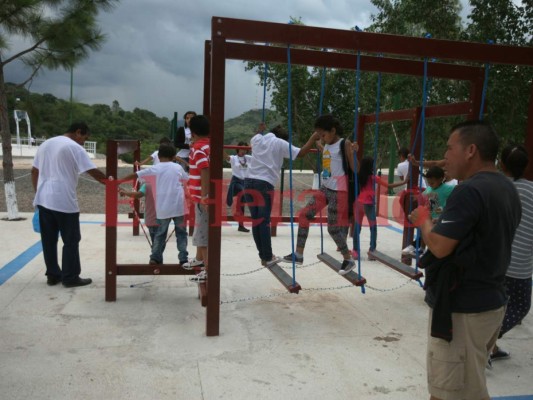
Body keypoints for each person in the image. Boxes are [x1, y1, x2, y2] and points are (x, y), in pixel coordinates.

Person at [409, 120, 521, 400]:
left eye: (449, 148)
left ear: (470, 150)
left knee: (452, 392)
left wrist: (423, 221)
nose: (445, 156)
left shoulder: (469, 191)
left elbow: (440, 247)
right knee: (461, 386)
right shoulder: (506, 188)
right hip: (489, 302)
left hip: (463, 310)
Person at [31, 122, 109, 287]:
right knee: (71, 239)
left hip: (44, 199)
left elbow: (34, 171)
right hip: (63, 200)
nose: (83, 142)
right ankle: (70, 277)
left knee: (49, 240)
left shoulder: (46, 144)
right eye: (84, 138)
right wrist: (113, 184)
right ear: (78, 132)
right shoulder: (74, 147)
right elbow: (93, 171)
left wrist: (38, 192)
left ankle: (52, 275)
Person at [281, 115, 356, 274]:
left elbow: (355, 169)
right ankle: (298, 254)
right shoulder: (327, 145)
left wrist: (354, 153)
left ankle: (348, 258)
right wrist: (318, 141)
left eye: (323, 134)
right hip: (325, 188)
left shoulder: (345, 143)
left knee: (333, 229)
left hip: (339, 191)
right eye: (320, 135)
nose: (322, 137)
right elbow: (328, 153)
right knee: (304, 215)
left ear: (333, 131)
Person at [245, 122, 321, 267]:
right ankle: (267, 256)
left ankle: (264, 255)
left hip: (248, 181)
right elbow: (301, 153)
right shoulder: (280, 143)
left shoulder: (257, 139)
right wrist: (312, 139)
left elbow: (254, 138)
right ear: (284, 139)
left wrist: (259, 130)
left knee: (256, 221)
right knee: (264, 221)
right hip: (264, 184)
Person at [489, 144, 533, 365]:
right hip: (519, 263)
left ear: (502, 164)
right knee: (520, 306)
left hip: (496, 258)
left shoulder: (495, 186)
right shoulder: (531, 190)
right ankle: (487, 343)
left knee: (498, 305)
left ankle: (490, 346)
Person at [122, 143, 189, 265]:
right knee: (181, 233)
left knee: (160, 234)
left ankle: (155, 257)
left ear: (158, 155)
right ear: (174, 156)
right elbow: (186, 179)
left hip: (163, 208)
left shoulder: (155, 168)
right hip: (179, 206)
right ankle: (183, 258)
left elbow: (136, 175)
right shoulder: (178, 168)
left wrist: (119, 181)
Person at [401, 166, 455, 257]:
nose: (430, 184)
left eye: (432, 182)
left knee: (433, 234)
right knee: (424, 231)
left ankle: (428, 251)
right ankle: (421, 248)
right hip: (431, 214)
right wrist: (416, 197)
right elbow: (424, 194)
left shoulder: (447, 188)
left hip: (440, 215)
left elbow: (458, 190)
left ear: (441, 179)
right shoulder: (430, 188)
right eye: (428, 182)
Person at [182, 115, 210, 282]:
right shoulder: (207, 145)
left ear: (192, 132)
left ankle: (208, 270)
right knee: (200, 231)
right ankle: (199, 259)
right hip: (200, 197)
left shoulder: (198, 149)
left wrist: (205, 196)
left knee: (203, 235)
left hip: (202, 198)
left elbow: (204, 170)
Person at [352, 156, 378, 258]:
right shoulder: (372, 177)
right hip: (368, 204)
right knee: (373, 227)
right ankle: (372, 250)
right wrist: (404, 182)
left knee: (357, 227)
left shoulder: (359, 176)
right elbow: (389, 185)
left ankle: (356, 250)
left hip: (359, 203)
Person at [224, 141, 252, 232]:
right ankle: (237, 213)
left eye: (245, 149)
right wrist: (219, 147)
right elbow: (226, 157)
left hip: (246, 182)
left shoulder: (248, 158)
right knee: (243, 193)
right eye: (241, 148)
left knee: (241, 204)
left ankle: (240, 225)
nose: (243, 151)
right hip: (236, 181)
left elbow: (259, 158)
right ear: (237, 149)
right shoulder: (233, 158)